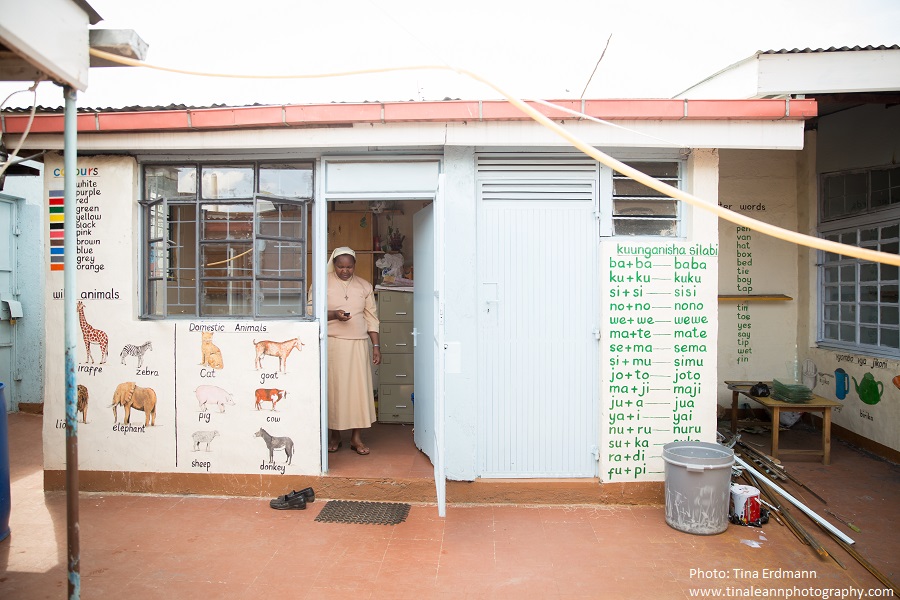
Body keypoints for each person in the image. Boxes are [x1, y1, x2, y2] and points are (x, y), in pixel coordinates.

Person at [324, 247, 381, 455]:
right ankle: (335, 435)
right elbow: (311, 310)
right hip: (333, 343)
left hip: (358, 343)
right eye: (341, 267)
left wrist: (376, 346)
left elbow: (372, 318)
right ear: (334, 265)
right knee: (335, 390)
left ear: (354, 265)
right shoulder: (322, 283)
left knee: (358, 391)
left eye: (349, 267)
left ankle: (356, 438)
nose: (345, 271)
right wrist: (334, 314)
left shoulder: (364, 286)